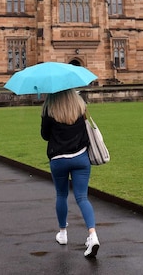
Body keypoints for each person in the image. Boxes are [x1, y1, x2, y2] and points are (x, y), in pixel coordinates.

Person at [40, 88, 99, 258]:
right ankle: (93, 235)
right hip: (81, 158)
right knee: (82, 197)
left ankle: (63, 233)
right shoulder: (80, 106)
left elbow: (44, 135)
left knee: (61, 195)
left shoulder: (49, 108)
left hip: (59, 160)